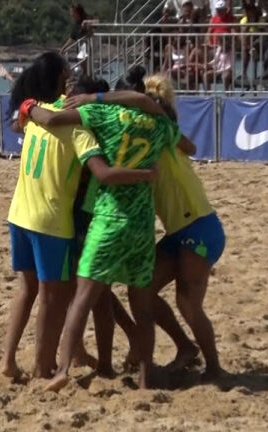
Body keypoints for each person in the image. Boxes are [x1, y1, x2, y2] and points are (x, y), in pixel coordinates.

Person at [22, 66, 182, 391]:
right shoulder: (161, 125)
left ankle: (63, 370)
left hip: (109, 217)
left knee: (84, 297)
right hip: (142, 223)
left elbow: (52, 120)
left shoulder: (102, 114)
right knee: (141, 305)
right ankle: (146, 376)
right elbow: (186, 145)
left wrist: (27, 105)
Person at [69, 75, 226, 380]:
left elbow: (181, 141)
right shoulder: (161, 134)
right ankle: (184, 347)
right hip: (180, 230)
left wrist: (93, 101)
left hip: (198, 226)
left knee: (187, 302)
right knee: (143, 290)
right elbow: (189, 146)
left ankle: (214, 368)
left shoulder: (158, 133)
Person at [61, 4, 91, 73]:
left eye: (72, 12)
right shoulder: (76, 24)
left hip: (86, 45)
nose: (71, 14)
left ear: (76, 12)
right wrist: (63, 48)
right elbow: (72, 37)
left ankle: (87, 76)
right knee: (82, 65)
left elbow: (96, 22)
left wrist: (87, 23)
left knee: (84, 64)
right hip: (80, 46)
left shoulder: (86, 19)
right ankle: (85, 76)